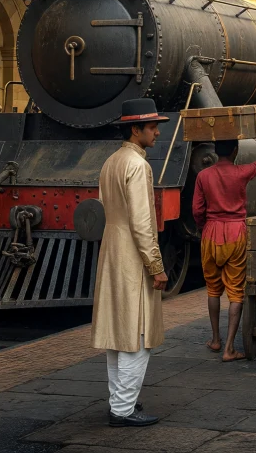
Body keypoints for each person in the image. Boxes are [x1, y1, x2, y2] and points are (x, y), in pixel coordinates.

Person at [92, 99, 169, 427]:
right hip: (133, 256)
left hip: (113, 250)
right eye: (151, 126)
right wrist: (156, 265)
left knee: (119, 333)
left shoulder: (112, 161)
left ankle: (120, 403)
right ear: (135, 130)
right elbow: (142, 222)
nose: (157, 131)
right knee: (138, 336)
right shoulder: (138, 165)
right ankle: (123, 409)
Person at [193, 136, 256, 362]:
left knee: (212, 289)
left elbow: (197, 210)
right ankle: (229, 348)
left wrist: (204, 228)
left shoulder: (203, 176)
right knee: (235, 291)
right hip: (236, 233)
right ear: (236, 150)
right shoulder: (242, 172)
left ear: (216, 151)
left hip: (210, 232)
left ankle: (216, 339)